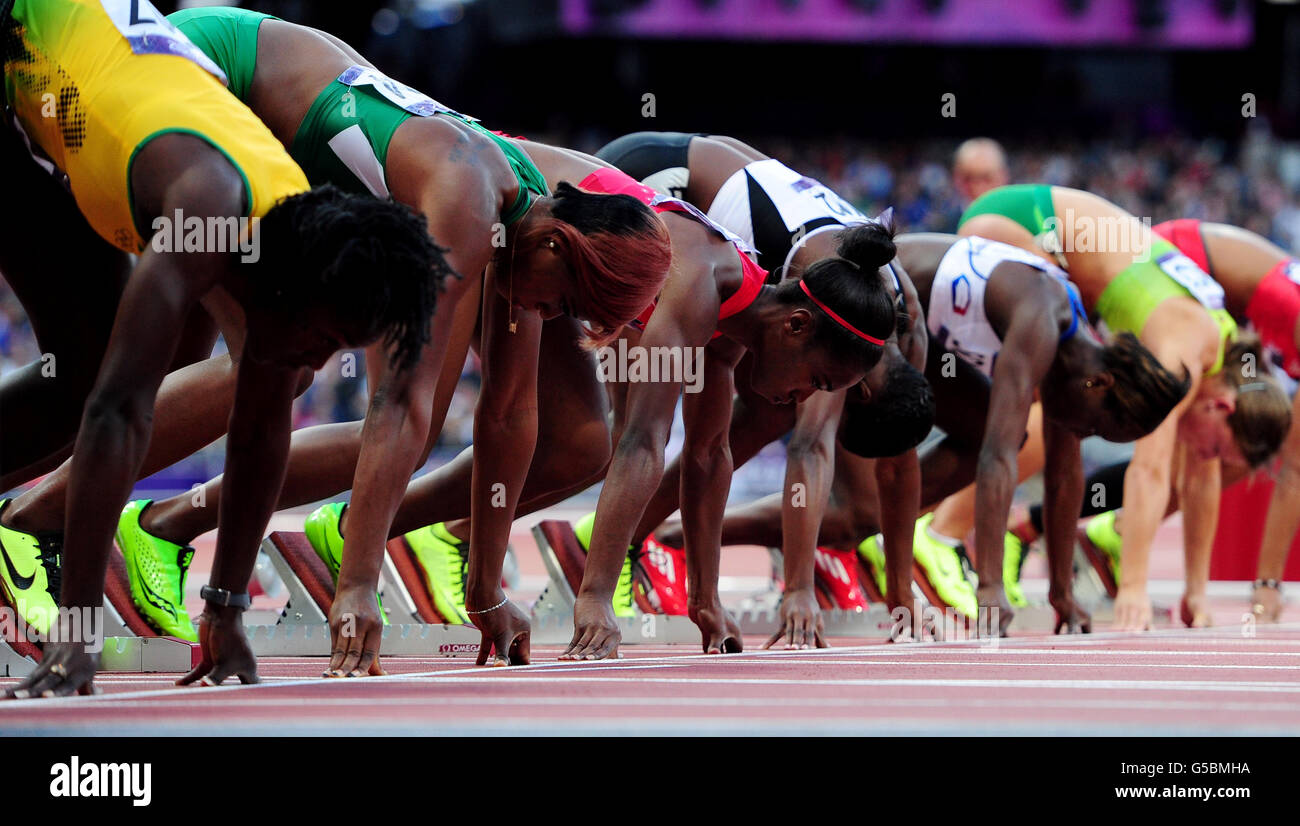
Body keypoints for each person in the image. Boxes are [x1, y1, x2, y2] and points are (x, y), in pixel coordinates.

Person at [0, 5, 673, 652]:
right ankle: (33, 526)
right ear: (558, 246)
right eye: (566, 305)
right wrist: (355, 586)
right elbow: (399, 401)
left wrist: (484, 592)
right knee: (268, 361)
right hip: (217, 76)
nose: (553, 319)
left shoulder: (519, 223)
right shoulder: (470, 206)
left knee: (224, 365)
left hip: (270, 133)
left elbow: (508, 419)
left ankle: (97, 527)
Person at [1, 0, 448, 698]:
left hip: (49, 118)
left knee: (82, 368)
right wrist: (78, 630)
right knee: (101, 385)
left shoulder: (291, 231)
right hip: (21, 39)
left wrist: (227, 608)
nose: (322, 362)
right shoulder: (206, 205)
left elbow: (262, 426)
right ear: (297, 291)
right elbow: (119, 414)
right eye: (327, 339)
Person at [383, 132, 929, 651]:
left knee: (588, 447)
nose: (808, 398)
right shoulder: (719, 287)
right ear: (796, 327)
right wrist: (596, 598)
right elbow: (652, 442)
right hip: (589, 191)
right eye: (819, 383)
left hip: (656, 203)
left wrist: (706, 598)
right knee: (599, 436)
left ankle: (428, 534)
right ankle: (573, 566)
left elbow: (711, 453)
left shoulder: (759, 311)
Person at [644, 232, 1188, 639]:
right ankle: (652, 536)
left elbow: (1067, 474)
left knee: (870, 509)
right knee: (787, 456)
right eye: (1097, 423)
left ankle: (845, 543)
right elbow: (998, 459)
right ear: (1102, 382)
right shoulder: (1043, 320)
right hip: (860, 326)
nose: (1083, 429)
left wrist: (1063, 593)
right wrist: (991, 587)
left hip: (918, 350)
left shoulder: (1074, 353)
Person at [955, 185, 1290, 631]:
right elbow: (1148, 472)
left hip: (1060, 247)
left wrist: (1195, 592)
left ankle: (1034, 570)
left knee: (1065, 416)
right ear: (1224, 408)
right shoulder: (1184, 356)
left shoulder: (1222, 346)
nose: (1206, 458)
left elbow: (1200, 482)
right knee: (1041, 407)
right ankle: (940, 534)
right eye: (1216, 450)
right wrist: (1134, 586)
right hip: (1020, 222)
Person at [952, 138, 1009, 208]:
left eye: (987, 178)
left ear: (1003, 176)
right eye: (968, 178)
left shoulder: (1018, 217)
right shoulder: (943, 218)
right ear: (956, 178)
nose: (977, 188)